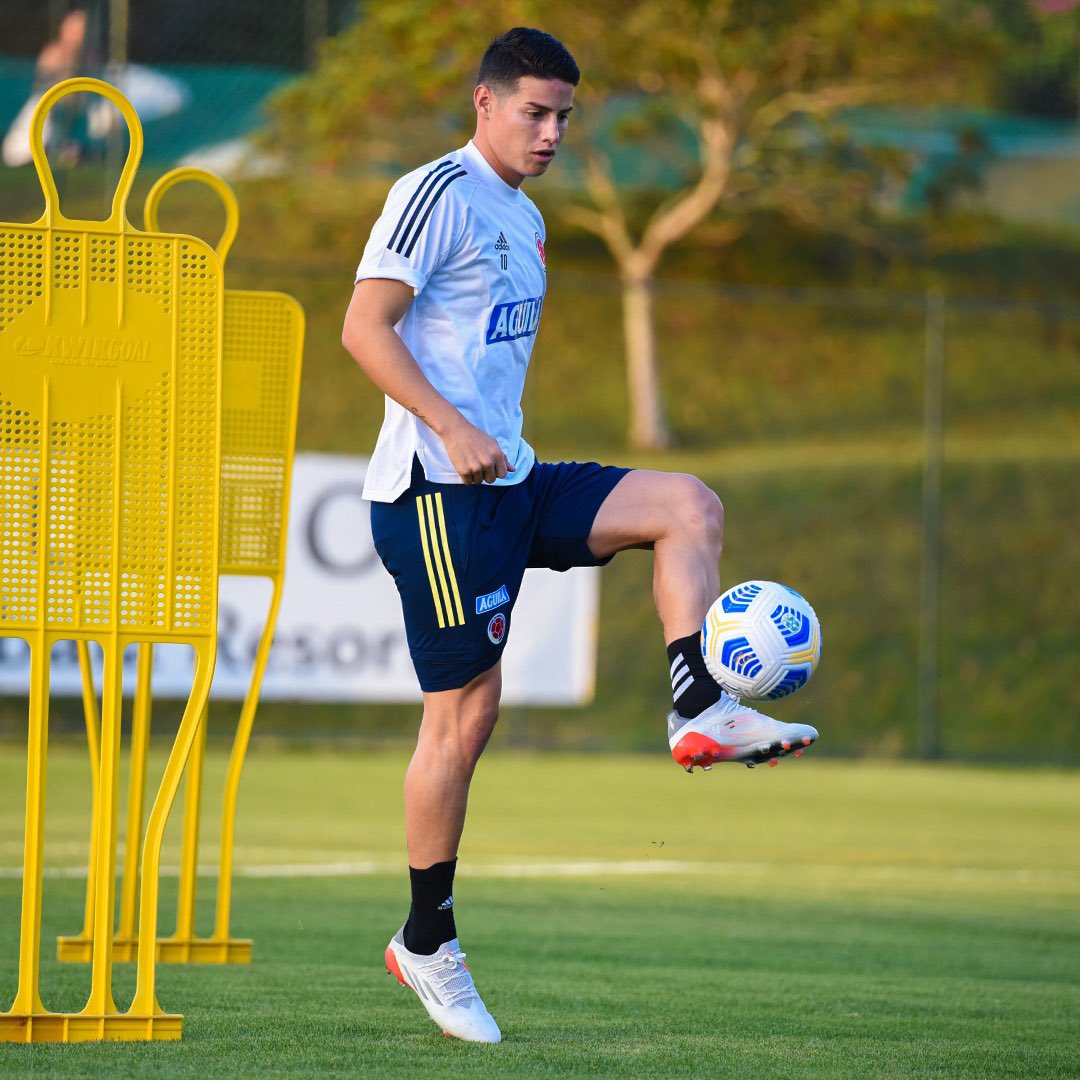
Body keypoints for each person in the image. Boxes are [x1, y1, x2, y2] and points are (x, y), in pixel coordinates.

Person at [341, 27, 818, 1044]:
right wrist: (450, 423)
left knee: (686, 504)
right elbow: (364, 327)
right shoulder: (437, 193)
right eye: (536, 112)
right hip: (435, 495)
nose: (554, 132)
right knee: (464, 719)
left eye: (564, 115)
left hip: (510, 476)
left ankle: (700, 709)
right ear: (485, 104)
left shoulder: (521, 213)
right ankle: (427, 940)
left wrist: (491, 438)